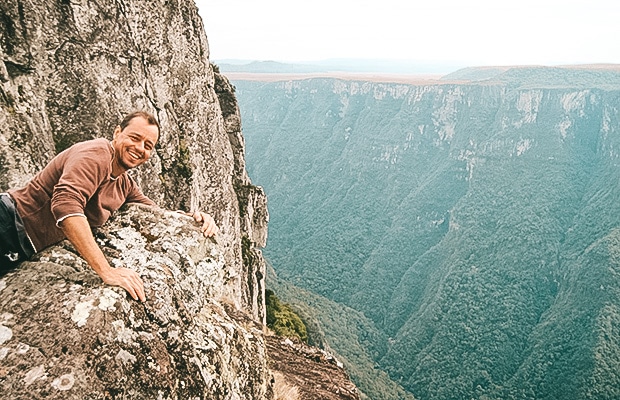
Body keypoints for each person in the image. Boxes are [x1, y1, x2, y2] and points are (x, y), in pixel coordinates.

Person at [0, 111, 218, 302]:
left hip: (20, 242)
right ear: (117, 133)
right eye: (134, 138)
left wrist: (193, 219)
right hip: (9, 224)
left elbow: (155, 213)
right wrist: (105, 270)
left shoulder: (123, 183)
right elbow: (65, 204)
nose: (139, 148)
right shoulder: (96, 154)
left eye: (148, 145)